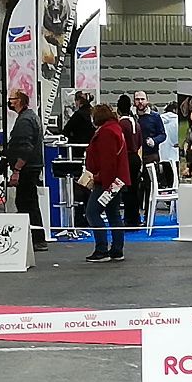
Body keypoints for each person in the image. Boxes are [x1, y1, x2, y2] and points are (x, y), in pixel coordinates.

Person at [83, 104, 131, 263]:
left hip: (107, 182)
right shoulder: (115, 129)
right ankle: (117, 250)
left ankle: (101, 249)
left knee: (92, 212)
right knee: (113, 214)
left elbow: (107, 161)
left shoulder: (106, 132)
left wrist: (98, 180)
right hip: (117, 181)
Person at [5, 89, 49, 252]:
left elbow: (25, 148)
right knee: (29, 203)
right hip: (32, 166)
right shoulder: (30, 117)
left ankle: (36, 239)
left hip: (27, 168)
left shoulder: (24, 121)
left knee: (26, 203)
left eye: (12, 99)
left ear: (19, 101)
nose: (9, 102)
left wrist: (17, 169)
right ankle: (35, 238)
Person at [116, 94, 143, 228]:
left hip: (126, 159)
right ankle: (135, 217)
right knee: (134, 189)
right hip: (135, 158)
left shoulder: (120, 124)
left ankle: (129, 219)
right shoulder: (136, 123)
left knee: (126, 190)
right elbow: (139, 143)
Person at [133, 91, 167, 167]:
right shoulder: (132, 117)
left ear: (147, 101)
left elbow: (163, 135)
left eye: (142, 99)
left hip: (151, 155)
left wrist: (154, 141)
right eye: (137, 99)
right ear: (134, 101)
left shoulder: (155, 116)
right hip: (135, 156)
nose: (140, 102)